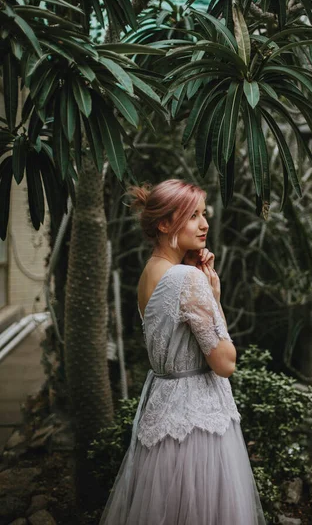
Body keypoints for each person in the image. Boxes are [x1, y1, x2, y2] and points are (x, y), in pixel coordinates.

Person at [99, 179, 266, 525]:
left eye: (203, 214)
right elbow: (225, 362)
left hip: (162, 412)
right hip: (196, 425)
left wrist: (208, 289)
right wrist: (214, 298)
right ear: (164, 224)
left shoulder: (150, 273)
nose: (205, 224)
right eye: (192, 216)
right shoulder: (187, 279)